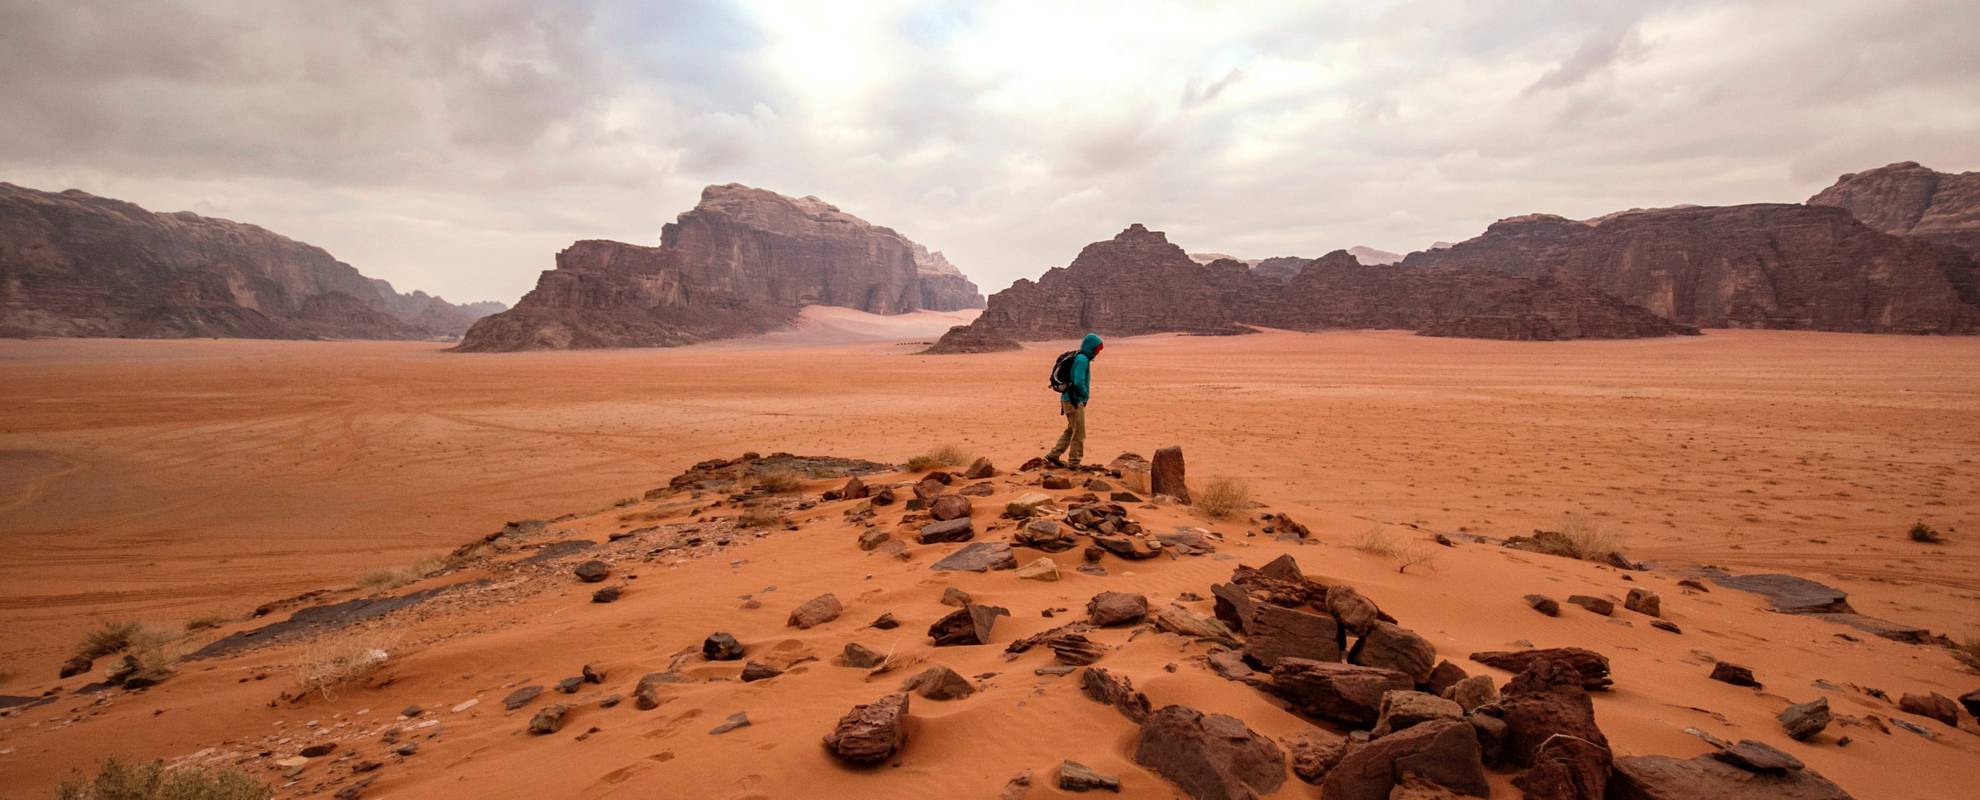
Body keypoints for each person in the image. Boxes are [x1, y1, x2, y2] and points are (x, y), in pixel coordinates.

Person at [1045, 332, 1103, 468]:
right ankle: (1074, 462)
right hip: (1074, 401)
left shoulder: (1079, 357)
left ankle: (1054, 455)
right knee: (1079, 432)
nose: (1098, 353)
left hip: (1067, 399)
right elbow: (1078, 381)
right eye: (1097, 350)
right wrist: (1085, 396)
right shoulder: (1082, 359)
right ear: (1091, 347)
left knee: (1071, 429)